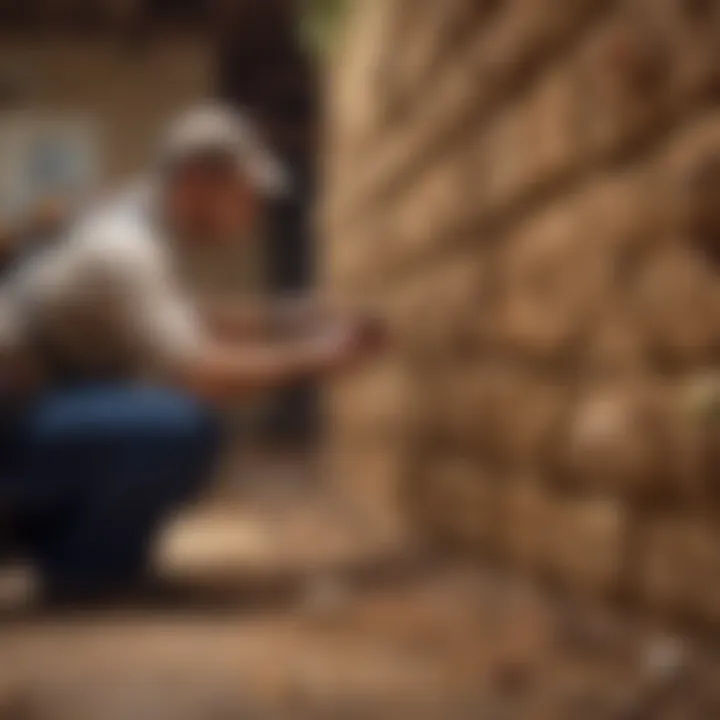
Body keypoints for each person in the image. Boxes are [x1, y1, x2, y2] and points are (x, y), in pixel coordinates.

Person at [0, 104, 382, 601]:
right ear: (198, 182)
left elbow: (178, 317)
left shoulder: (134, 221)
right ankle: (83, 572)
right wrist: (323, 356)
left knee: (154, 418)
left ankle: (57, 542)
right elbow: (199, 370)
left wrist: (293, 316)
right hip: (11, 426)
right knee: (177, 427)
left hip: (22, 412)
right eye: (247, 194)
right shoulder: (124, 250)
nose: (254, 211)